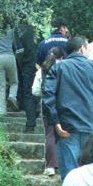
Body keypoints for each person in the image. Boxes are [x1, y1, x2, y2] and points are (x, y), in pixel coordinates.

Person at [42, 36, 93, 179]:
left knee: (71, 179)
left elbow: (48, 96)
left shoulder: (58, 67)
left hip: (67, 129)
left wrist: (56, 122)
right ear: (82, 48)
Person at [32, 46, 65, 175]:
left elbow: (35, 91)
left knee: (50, 135)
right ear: (61, 57)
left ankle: (50, 166)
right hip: (63, 105)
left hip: (46, 105)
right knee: (63, 134)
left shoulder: (41, 71)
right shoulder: (64, 68)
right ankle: (64, 164)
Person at [15, 19, 41, 132]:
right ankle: (35, 110)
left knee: (27, 93)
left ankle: (30, 123)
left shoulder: (20, 33)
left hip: (26, 66)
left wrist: (20, 67)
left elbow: (19, 51)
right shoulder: (38, 32)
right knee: (36, 91)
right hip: (38, 66)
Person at [0, 25, 19, 115]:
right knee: (14, 82)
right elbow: (15, 45)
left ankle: (2, 112)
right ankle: (12, 96)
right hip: (10, 57)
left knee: (0, 87)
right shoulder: (11, 31)